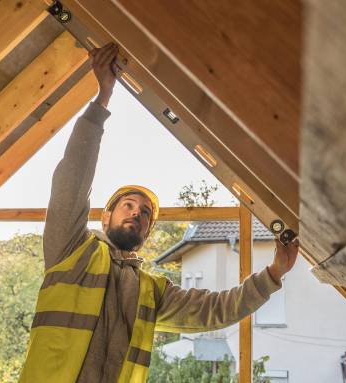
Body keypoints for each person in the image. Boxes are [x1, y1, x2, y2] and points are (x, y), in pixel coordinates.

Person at [17, 43, 298, 383]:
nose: (137, 214)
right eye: (128, 206)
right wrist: (101, 101)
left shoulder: (150, 292)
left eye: (145, 213)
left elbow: (215, 310)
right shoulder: (71, 251)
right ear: (105, 218)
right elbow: (70, 181)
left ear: (147, 232)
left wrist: (274, 273)